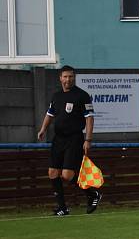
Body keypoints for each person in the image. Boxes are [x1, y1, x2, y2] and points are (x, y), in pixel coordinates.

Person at [37, 65, 102, 215]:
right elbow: (50, 114)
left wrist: (88, 139)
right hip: (58, 139)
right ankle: (62, 208)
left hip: (74, 139)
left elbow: (89, 118)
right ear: (60, 78)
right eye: (65, 76)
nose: (68, 79)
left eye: (71, 76)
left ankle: (92, 194)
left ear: (74, 78)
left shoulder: (82, 95)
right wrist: (43, 129)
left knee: (67, 175)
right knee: (52, 172)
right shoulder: (56, 96)